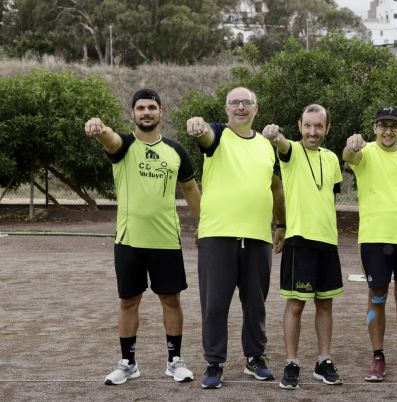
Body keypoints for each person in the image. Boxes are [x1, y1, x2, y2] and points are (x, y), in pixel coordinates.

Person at [85, 89, 201, 385]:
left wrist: (204, 223)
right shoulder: (123, 145)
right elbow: (109, 139)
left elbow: (190, 189)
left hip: (166, 240)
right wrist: (99, 127)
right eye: (140, 108)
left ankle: (175, 361)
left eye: (151, 107)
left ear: (161, 112)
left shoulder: (176, 150)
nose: (146, 112)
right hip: (129, 241)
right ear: (132, 113)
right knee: (128, 301)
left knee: (171, 301)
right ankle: (128, 363)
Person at [185, 87, 286, 389]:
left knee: (256, 303)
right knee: (215, 304)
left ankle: (255, 357)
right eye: (234, 103)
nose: (241, 107)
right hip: (218, 235)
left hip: (257, 236)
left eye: (247, 102)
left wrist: (282, 223)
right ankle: (214, 362)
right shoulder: (217, 135)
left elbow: (277, 187)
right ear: (226, 108)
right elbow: (204, 134)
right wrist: (198, 125)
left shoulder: (267, 146)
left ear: (256, 108)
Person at [342, 106, 397, 383]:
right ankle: (377, 357)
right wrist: (351, 145)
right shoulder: (365, 152)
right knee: (376, 296)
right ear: (375, 128)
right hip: (374, 237)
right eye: (383, 126)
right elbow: (349, 156)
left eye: (393, 126)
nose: (388, 131)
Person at [262, 104, 345, 390]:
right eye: (307, 125)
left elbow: (329, 197)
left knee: (325, 303)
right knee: (296, 304)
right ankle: (291, 363)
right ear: (299, 126)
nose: (312, 131)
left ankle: (324, 361)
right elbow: (282, 144)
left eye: (318, 126)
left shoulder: (332, 158)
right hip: (300, 240)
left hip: (328, 241)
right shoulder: (291, 152)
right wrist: (275, 135)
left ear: (327, 128)